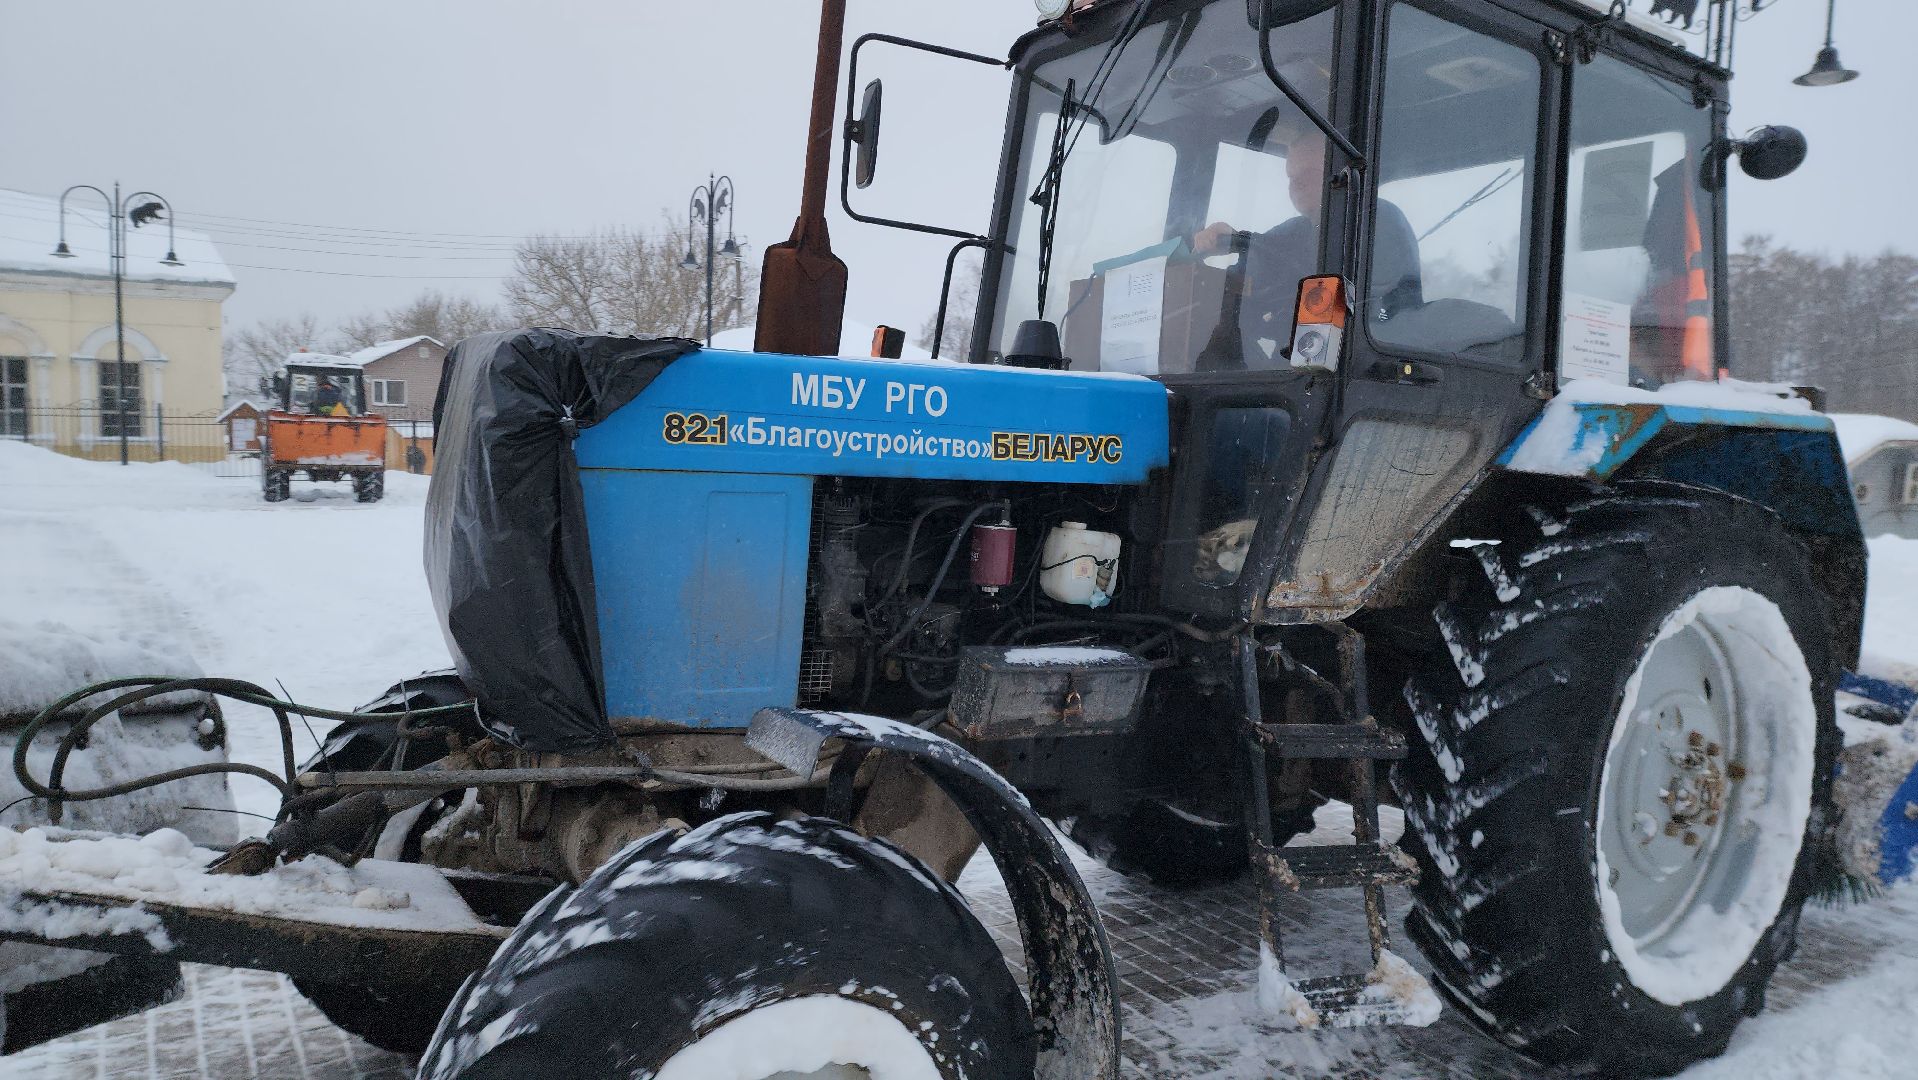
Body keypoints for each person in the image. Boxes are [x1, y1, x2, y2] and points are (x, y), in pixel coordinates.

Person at [1187, 128, 1423, 351]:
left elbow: (1367, 303)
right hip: (1300, 353)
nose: (1296, 184)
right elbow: (1263, 254)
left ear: (1341, 176)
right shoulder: (1297, 229)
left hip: (1359, 353)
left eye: (1309, 173)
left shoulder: (1375, 220)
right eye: (1292, 176)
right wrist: (1230, 238)